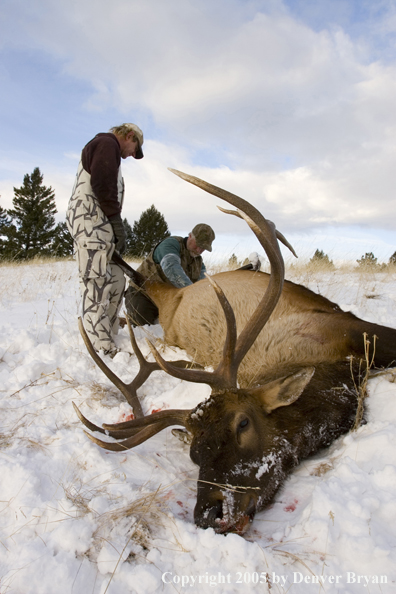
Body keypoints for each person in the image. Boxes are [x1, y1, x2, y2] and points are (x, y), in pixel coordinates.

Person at [66, 123, 144, 357]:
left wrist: (112, 228)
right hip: (90, 224)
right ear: (129, 135)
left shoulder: (108, 150)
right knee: (97, 282)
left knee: (117, 279)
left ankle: (109, 333)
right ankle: (98, 347)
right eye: (134, 149)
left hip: (102, 228)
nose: (132, 154)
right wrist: (116, 221)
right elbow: (102, 184)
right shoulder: (106, 143)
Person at [125, 223, 215, 326]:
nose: (199, 250)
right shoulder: (171, 244)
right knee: (142, 330)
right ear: (190, 236)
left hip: (167, 302)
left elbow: (202, 284)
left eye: (203, 248)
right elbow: (171, 268)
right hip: (144, 295)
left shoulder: (199, 262)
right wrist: (192, 293)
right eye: (198, 245)